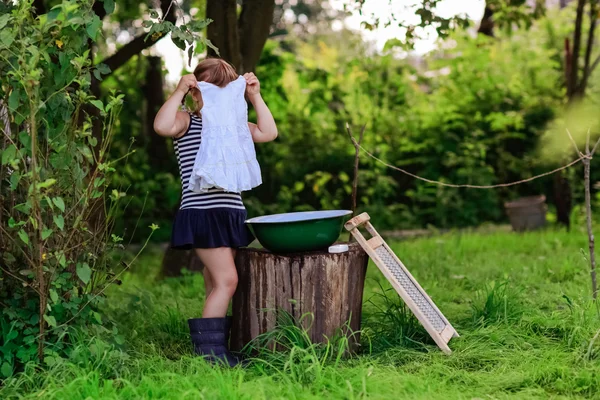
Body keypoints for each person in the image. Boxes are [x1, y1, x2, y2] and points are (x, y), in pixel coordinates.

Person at [153, 58, 278, 366]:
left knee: (215, 281)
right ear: (197, 92)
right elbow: (161, 126)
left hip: (230, 212)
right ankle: (210, 357)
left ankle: (216, 349)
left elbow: (268, 132)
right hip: (203, 213)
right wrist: (179, 90)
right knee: (227, 281)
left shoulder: (235, 128)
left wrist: (255, 96)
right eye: (212, 89)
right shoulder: (187, 121)